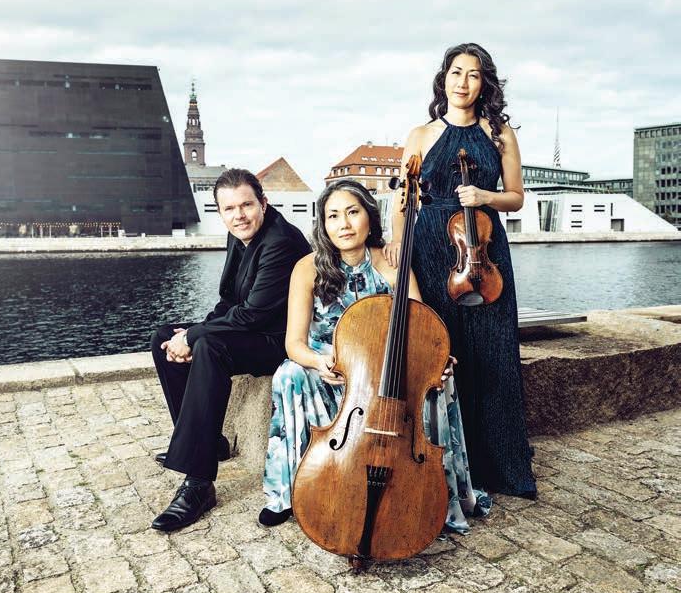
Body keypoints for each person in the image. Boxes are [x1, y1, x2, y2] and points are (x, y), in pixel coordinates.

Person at [260, 179, 490, 531]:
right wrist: (319, 362)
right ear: (323, 224)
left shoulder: (392, 262)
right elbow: (294, 343)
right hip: (331, 371)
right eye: (333, 216)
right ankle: (288, 493)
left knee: (439, 381)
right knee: (288, 374)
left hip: (385, 373)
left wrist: (437, 361)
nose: (344, 224)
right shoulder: (307, 268)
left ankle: (432, 491)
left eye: (352, 212)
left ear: (370, 217)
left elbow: (422, 328)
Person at [388, 43, 536, 498]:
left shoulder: (500, 134)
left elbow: (516, 197)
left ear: (484, 83)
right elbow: (403, 198)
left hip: (484, 251)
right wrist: (398, 241)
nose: (463, 82)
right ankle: (448, 467)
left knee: (494, 352)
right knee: (443, 349)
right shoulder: (421, 134)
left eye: (473, 74)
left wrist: (485, 197)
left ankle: (503, 467)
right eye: (456, 72)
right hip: (433, 247)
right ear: (444, 79)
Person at [150, 168, 310, 531]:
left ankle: (198, 483)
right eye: (229, 209)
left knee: (208, 346)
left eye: (246, 205)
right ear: (220, 212)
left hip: (282, 339)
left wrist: (195, 336)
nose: (239, 215)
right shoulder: (239, 235)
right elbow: (228, 301)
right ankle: (210, 443)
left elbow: (253, 313)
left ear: (263, 203)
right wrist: (187, 335)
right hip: (252, 331)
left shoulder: (281, 242)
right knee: (163, 338)